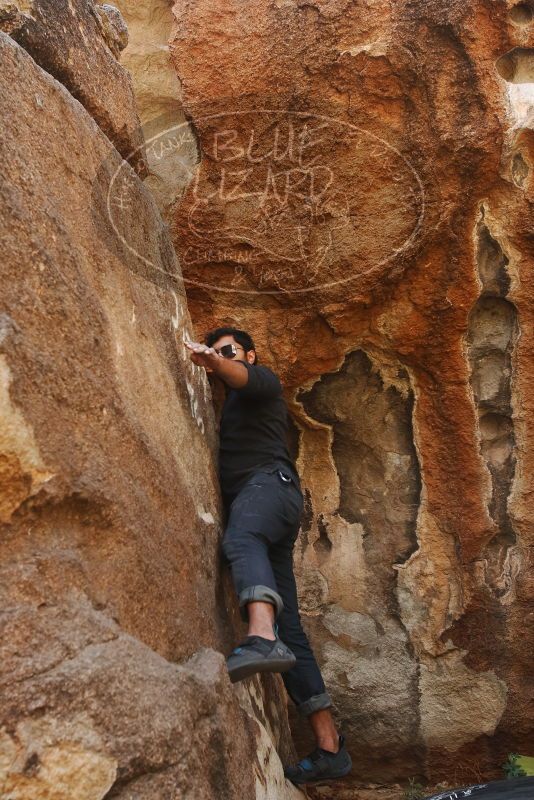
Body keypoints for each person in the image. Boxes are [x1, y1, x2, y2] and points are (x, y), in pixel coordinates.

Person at [185, 327, 352, 786]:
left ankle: (260, 637)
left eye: (229, 349)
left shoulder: (263, 381)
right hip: (268, 500)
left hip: (269, 486)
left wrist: (214, 362)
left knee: (242, 540)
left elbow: (239, 376)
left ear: (249, 355)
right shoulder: (235, 402)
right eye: (216, 349)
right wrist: (216, 365)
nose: (220, 356)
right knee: (292, 628)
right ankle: (329, 748)